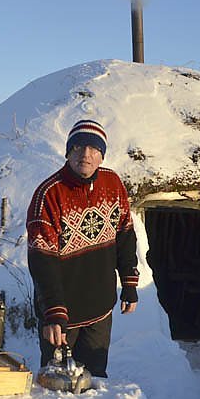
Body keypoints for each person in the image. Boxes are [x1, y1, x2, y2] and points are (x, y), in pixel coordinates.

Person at [26, 119, 138, 378]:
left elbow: (125, 235)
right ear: (68, 152)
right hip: (63, 315)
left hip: (100, 309)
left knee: (95, 380)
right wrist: (53, 312)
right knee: (58, 384)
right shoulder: (49, 194)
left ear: (102, 155)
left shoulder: (113, 184)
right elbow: (42, 261)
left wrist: (129, 283)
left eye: (93, 148)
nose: (85, 155)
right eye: (78, 147)